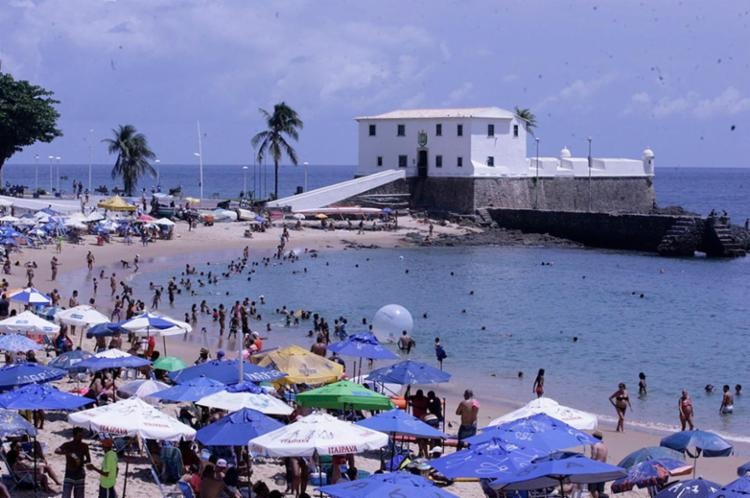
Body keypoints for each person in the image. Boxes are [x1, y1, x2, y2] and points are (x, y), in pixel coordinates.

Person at [56, 427, 92, 498]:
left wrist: (81, 462)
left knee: (79, 496)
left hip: (80, 473)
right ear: (74, 436)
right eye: (79, 436)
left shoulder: (84, 446)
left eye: (82, 436)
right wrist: (68, 453)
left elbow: (88, 460)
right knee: (66, 495)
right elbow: (57, 450)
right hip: (69, 473)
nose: (81, 438)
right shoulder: (68, 445)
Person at [587, 431, 608, 498]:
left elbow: (593, 457)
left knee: (593, 490)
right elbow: (604, 459)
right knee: (600, 489)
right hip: (603, 468)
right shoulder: (604, 446)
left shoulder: (595, 445)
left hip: (596, 469)